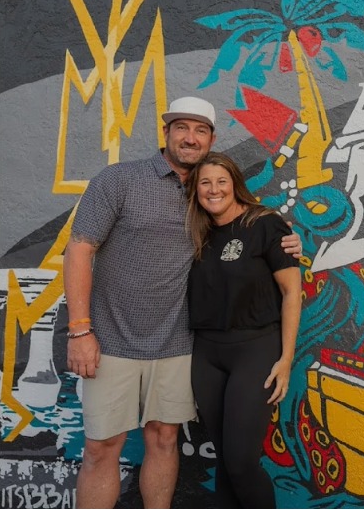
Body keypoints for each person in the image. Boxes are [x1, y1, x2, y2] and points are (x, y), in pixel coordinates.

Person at [63, 96, 302, 508]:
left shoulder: (207, 196)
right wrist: (80, 330)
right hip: (111, 342)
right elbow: (80, 248)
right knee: (102, 448)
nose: (190, 138)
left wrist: (287, 237)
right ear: (166, 132)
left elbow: (248, 228)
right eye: (181, 128)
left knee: (164, 439)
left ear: (210, 140)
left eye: (200, 131)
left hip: (177, 345)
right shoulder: (120, 180)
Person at [184, 151, 301, 509]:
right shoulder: (195, 232)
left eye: (221, 181)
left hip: (255, 350)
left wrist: (286, 359)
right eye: (205, 182)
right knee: (224, 462)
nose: (213, 189)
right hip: (206, 354)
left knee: (241, 462)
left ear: (235, 184)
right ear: (196, 190)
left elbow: (292, 292)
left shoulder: (264, 224)